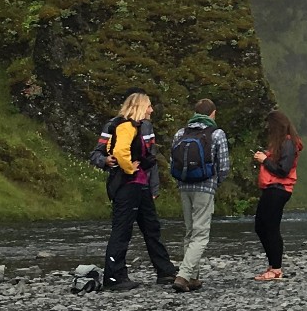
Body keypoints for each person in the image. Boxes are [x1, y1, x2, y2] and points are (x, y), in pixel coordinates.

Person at [99, 90, 171, 291]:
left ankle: (165, 271)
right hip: (128, 185)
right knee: (122, 231)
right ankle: (114, 277)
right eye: (148, 105)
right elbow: (120, 152)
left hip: (141, 186)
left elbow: (148, 157)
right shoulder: (126, 125)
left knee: (151, 227)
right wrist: (130, 167)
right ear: (140, 107)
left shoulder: (138, 127)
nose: (151, 109)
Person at [166, 98, 231, 291]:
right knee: (201, 234)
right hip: (205, 186)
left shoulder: (181, 133)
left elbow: (173, 161)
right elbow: (224, 166)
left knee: (190, 231)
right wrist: (215, 182)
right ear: (213, 113)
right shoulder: (217, 134)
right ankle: (184, 275)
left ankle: (193, 277)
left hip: (184, 186)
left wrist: (181, 182)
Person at [251, 109, 302, 282]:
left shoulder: (288, 144)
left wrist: (264, 160)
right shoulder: (282, 144)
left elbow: (283, 170)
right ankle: (273, 265)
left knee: (270, 228)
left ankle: (276, 268)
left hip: (278, 189)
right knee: (261, 226)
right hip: (272, 189)